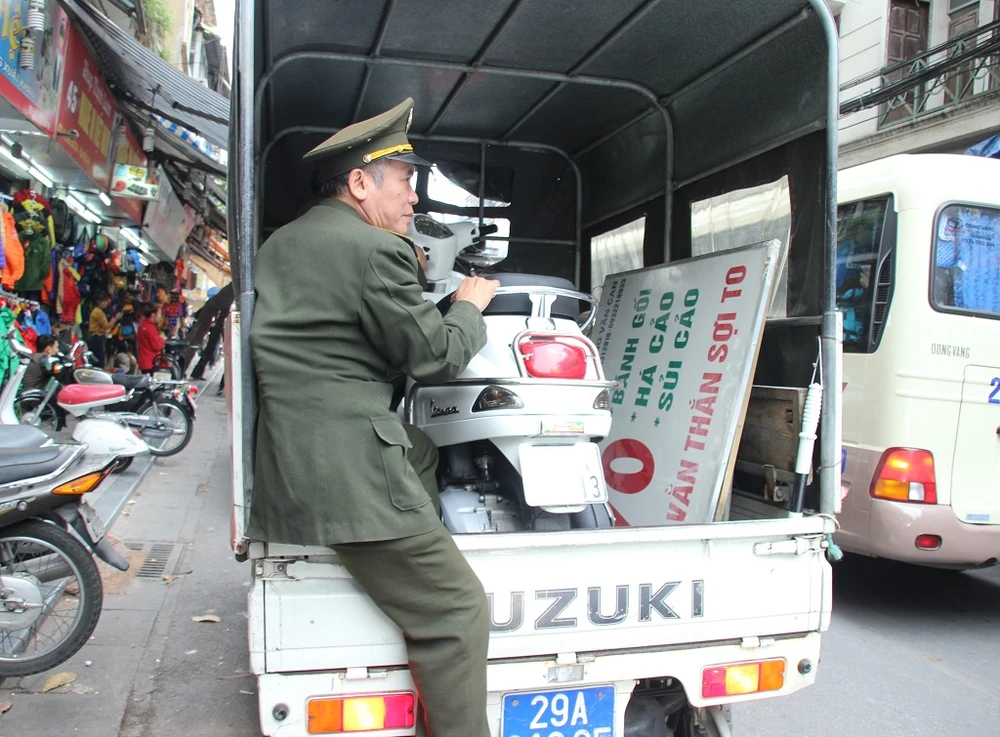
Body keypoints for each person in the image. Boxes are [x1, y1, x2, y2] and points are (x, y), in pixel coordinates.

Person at [249, 98, 497, 737]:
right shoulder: (374, 249)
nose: (414, 198)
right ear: (361, 183)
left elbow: (345, 333)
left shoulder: (283, 242)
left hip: (296, 447)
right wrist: (469, 306)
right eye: (406, 181)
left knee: (422, 450)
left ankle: (419, 533)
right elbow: (435, 357)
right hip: (349, 466)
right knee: (458, 609)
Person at [87, 293, 120, 369]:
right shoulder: (98, 312)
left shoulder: (97, 311)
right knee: (99, 361)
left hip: (97, 336)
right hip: (97, 337)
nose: (107, 303)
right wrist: (116, 318)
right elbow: (106, 326)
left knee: (98, 359)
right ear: (98, 302)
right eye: (104, 301)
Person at [137, 303, 166, 375]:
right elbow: (157, 346)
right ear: (153, 315)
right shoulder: (150, 328)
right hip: (151, 362)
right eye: (159, 314)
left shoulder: (142, 325)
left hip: (144, 362)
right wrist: (163, 340)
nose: (160, 316)